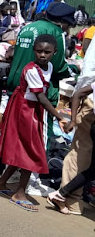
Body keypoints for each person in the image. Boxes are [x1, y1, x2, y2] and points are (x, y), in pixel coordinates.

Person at [0, 35, 68, 212]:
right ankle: (19, 193)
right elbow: (40, 97)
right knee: (31, 150)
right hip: (25, 110)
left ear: (54, 53)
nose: (42, 55)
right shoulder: (32, 70)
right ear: (34, 51)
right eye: (39, 51)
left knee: (25, 148)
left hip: (34, 109)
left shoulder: (49, 67)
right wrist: (58, 116)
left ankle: (2, 182)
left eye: (47, 52)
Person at [7, 2, 74, 148]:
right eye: (68, 26)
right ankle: (31, 169)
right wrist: (73, 71)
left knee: (15, 134)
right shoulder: (56, 32)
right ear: (62, 22)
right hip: (38, 95)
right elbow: (58, 65)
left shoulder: (28, 27)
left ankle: (12, 165)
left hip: (16, 86)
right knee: (38, 139)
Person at [48, 83, 95, 215]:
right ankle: (65, 196)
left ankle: (65, 196)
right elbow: (79, 92)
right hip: (90, 113)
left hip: (89, 111)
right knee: (81, 158)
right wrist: (73, 120)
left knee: (87, 163)